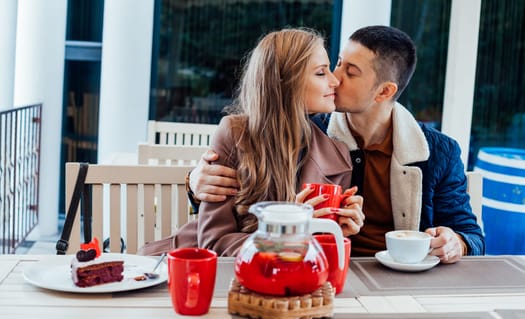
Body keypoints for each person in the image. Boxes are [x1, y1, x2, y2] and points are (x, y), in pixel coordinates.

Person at [187, 25, 485, 263]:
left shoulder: (438, 152)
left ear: (384, 91)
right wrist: (194, 183)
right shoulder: (310, 131)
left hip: (396, 278)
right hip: (324, 269)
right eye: (333, 66)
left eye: (349, 71)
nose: (335, 79)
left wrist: (456, 242)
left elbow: (471, 235)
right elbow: (234, 215)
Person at [138, 28, 365, 256]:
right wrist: (284, 233)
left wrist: (339, 232)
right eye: (320, 73)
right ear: (285, 82)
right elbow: (214, 242)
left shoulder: (339, 154)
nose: (335, 81)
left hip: (286, 278)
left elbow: (319, 251)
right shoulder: (234, 133)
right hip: (199, 267)